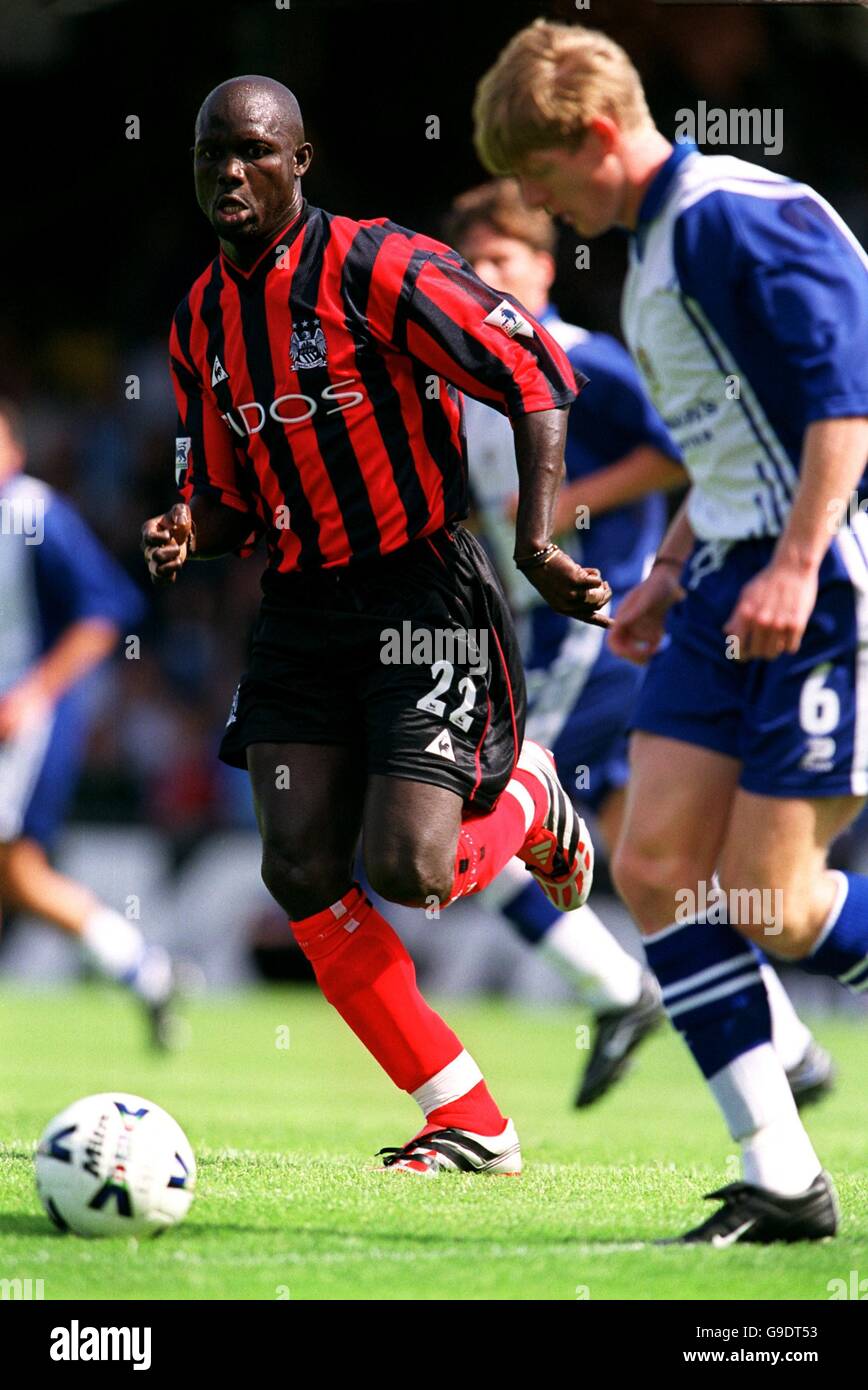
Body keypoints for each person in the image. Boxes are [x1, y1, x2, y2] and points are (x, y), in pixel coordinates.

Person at [141, 75, 611, 1176]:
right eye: (212, 154)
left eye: (254, 152)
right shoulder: (199, 318)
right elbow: (231, 495)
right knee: (298, 865)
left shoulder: (375, 264)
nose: (230, 174)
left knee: (412, 869)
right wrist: (185, 525)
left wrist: (537, 544)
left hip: (421, 589)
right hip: (302, 605)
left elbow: (534, 376)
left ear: (299, 161)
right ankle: (471, 1118)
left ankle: (532, 797)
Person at [474, 19, 868, 1241]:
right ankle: (781, 1177)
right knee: (650, 868)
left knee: (776, 905)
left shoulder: (735, 216)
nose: (547, 208)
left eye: (544, 180)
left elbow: (843, 397)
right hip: (726, 584)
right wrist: (674, 569)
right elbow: (727, 435)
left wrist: (797, 559)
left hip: (824, 577)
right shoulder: (652, 247)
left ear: (595, 135)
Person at [447, 178, 835, 1111]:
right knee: (647, 859)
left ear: (544, 268)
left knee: (476, 807)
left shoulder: (586, 359)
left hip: (598, 625)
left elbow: (681, 452)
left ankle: (617, 992)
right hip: (537, 628)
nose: (487, 277)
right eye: (473, 263)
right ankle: (791, 1046)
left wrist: (570, 507)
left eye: (505, 259)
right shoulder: (462, 379)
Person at [0, 399, 179, 1046]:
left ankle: (144, 969)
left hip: (18, 729)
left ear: (15, 449)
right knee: (19, 878)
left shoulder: (32, 511)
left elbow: (105, 611)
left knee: (19, 874)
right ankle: (144, 969)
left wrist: (33, 693)